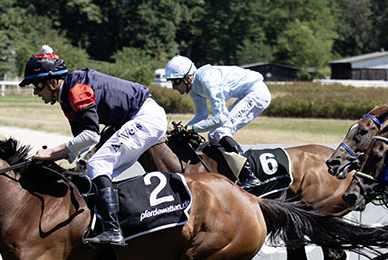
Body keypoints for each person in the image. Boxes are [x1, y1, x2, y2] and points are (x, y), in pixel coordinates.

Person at [20, 45, 167, 247]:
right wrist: (63, 158)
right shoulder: (65, 98)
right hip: (131, 119)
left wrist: (52, 153)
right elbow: (80, 141)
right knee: (91, 169)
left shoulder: (76, 90)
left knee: (98, 164)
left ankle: (113, 231)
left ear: (53, 82)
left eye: (37, 86)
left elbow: (91, 135)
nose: (36, 93)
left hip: (145, 116)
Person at [163, 55, 271, 189]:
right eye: (171, 81)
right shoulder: (193, 88)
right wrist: (184, 129)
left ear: (188, 78)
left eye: (176, 81)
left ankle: (249, 176)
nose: (174, 87)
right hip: (247, 93)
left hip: (257, 93)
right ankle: (229, 173)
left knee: (220, 131)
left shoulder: (207, 80)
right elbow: (201, 115)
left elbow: (221, 118)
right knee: (213, 136)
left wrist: (193, 128)